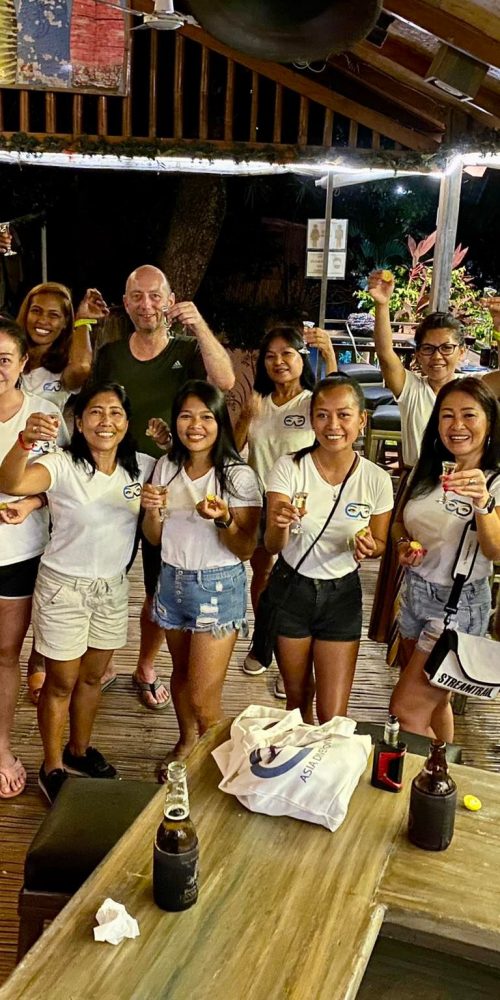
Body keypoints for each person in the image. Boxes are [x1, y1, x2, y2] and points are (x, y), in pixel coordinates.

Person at [0, 381, 155, 803]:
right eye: (96, 412)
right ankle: (51, 766)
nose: (106, 421)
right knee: (61, 682)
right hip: (63, 588)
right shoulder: (61, 463)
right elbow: (13, 481)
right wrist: (24, 441)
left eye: (116, 413)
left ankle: (79, 750)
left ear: (127, 422)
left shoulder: (142, 467)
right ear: (80, 423)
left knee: (91, 677)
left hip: (112, 588)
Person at [93, 264, 235, 709]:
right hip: (115, 482)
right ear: (125, 302)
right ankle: (101, 661)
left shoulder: (187, 350)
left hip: (168, 486)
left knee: (159, 583)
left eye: (156, 296)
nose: (146, 305)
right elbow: (94, 407)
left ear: (171, 301)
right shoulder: (111, 354)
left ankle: (146, 665)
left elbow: (225, 382)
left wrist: (200, 325)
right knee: (104, 574)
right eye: (137, 296)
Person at [141, 380, 261, 777]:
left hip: (217, 586)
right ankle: (187, 740)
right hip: (171, 581)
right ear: (175, 421)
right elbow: (154, 538)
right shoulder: (166, 466)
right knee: (179, 674)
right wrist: (152, 511)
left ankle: (223, 768)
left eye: (206, 417)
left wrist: (224, 518)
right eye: (186, 416)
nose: (195, 426)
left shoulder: (238, 476)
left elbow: (246, 549)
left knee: (203, 697)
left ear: (220, 422)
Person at [263, 376, 393, 723]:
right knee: (297, 700)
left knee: (333, 714)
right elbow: (272, 545)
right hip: (292, 589)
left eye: (344, 415)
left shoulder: (376, 479)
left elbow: (380, 544)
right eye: (322, 415)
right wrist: (279, 523)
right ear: (311, 419)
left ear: (361, 420)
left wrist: (370, 547)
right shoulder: (289, 467)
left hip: (342, 596)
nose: (333, 425)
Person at [389, 377, 500, 741]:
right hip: (415, 593)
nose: (457, 425)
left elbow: (495, 550)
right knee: (435, 702)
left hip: (458, 605)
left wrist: (483, 503)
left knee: (406, 710)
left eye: (469, 415)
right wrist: (404, 545)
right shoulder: (430, 470)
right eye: (447, 415)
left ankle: (415, 776)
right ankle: (439, 766)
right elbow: (399, 524)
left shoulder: (495, 483)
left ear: (489, 423)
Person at [367, 272, 467, 665]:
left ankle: (447, 655)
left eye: (446, 348)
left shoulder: (470, 393)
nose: (437, 356)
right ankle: (405, 651)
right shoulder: (411, 388)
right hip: (417, 485)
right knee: (409, 563)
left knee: (451, 565)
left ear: (461, 352)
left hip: (461, 487)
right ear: (418, 355)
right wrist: (381, 305)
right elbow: (384, 353)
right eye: (427, 349)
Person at [234, 323, 337, 692]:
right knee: (262, 575)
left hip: (301, 504)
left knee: (298, 580)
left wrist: (329, 355)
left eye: (287, 354)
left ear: (302, 358)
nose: (278, 362)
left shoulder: (312, 401)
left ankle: (292, 662)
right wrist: (245, 417)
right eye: (271, 356)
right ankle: (263, 644)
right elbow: (234, 448)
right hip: (260, 500)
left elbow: (338, 402)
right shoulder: (257, 400)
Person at [0, 318, 67, 798]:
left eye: (4, 359)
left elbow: (69, 480)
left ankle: (1, 747)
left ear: (24, 362)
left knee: (5, 654)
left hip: (20, 552)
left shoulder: (46, 414)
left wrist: (34, 501)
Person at [17, 281, 108, 412]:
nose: (42, 320)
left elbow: (82, 367)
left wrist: (82, 320)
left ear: (65, 322)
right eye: (36, 311)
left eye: (53, 315)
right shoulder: (8, 356)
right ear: (26, 314)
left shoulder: (64, 366)